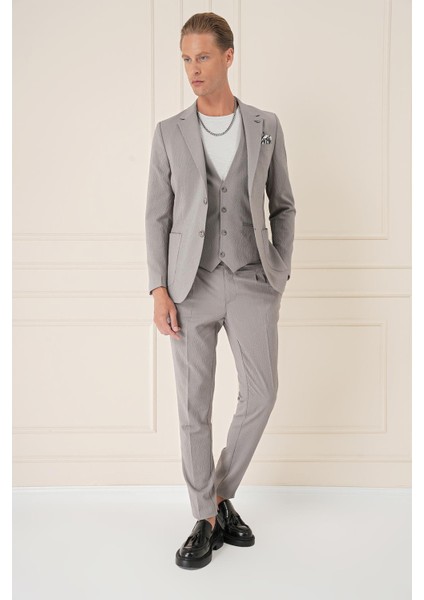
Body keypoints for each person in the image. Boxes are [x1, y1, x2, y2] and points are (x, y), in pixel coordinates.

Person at [145, 11, 296, 570]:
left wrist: (279, 269)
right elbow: (156, 217)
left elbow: (283, 205)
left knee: (262, 394)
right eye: (186, 58)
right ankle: (205, 519)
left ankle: (218, 495)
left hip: (254, 279)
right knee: (194, 405)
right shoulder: (168, 132)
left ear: (228, 57)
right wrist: (158, 289)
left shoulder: (265, 124)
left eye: (203, 56)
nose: (193, 68)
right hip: (191, 285)